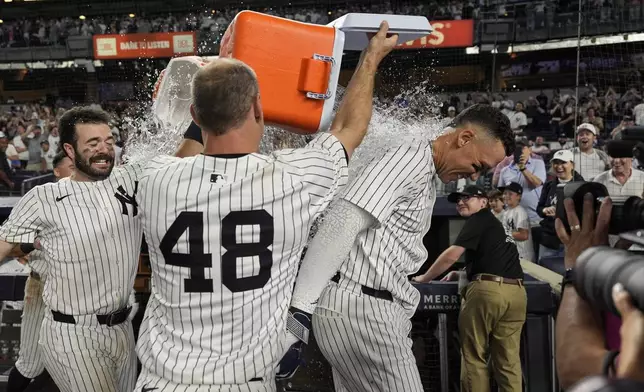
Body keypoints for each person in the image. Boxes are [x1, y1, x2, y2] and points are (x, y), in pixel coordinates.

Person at [132, 22, 399, 392]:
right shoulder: (295, 178)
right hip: (245, 382)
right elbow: (351, 126)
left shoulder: (154, 179)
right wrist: (371, 57)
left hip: (164, 381)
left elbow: (186, 155)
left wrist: (212, 89)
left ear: (194, 115)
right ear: (259, 108)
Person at [286, 105, 515, 392]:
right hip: (363, 310)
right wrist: (300, 309)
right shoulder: (411, 158)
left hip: (362, 307)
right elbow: (342, 220)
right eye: (478, 165)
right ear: (464, 138)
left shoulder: (423, 168)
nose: (473, 176)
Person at [414, 185, 526, 392]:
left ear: (483, 202)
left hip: (489, 292)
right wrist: (463, 272)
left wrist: (425, 277)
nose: (461, 202)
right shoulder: (495, 223)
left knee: (474, 356)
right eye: (458, 200)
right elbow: (495, 257)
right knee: (508, 361)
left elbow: (452, 255)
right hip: (517, 293)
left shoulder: (479, 219)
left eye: (468, 198)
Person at [6, 151, 74, 392]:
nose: (75, 168)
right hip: (41, 286)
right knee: (31, 364)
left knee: (73, 361)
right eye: (70, 164)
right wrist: (33, 243)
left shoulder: (91, 202)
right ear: (57, 171)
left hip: (77, 292)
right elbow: (11, 247)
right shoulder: (40, 201)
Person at [536, 149, 584, 261]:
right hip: (549, 240)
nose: (559, 166)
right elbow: (539, 208)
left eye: (563, 163)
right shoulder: (549, 185)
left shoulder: (581, 185)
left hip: (571, 240)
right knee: (546, 274)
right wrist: (545, 211)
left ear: (572, 165)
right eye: (556, 163)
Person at [497, 139, 547, 225]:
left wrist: (522, 167)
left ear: (530, 149)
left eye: (523, 148)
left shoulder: (538, 163)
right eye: (516, 148)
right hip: (512, 219)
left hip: (534, 218)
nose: (520, 151)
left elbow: (538, 183)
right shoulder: (504, 171)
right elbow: (501, 193)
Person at [500, 181, 535, 262]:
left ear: (518, 196)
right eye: (505, 193)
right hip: (513, 254)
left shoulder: (520, 212)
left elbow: (523, 235)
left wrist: (502, 234)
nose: (506, 196)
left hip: (523, 256)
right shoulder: (507, 211)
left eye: (510, 194)